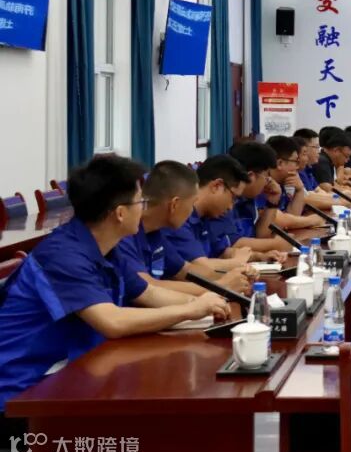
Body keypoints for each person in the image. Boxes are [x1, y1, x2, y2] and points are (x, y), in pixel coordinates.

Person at [0, 156, 229, 418]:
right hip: (22, 395)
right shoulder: (62, 256)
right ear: (120, 213)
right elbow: (112, 321)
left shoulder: (108, 247)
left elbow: (148, 293)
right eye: (140, 202)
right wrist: (190, 310)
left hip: (71, 378)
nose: (144, 209)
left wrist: (207, 304)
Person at [114, 161, 211, 296]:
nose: (192, 210)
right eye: (192, 203)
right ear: (174, 204)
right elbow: (147, 286)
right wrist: (221, 288)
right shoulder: (125, 234)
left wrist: (228, 279)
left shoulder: (155, 232)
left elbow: (184, 270)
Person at [163, 156, 258, 289]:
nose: (231, 207)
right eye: (233, 198)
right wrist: (237, 263)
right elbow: (200, 268)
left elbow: (220, 252)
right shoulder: (178, 219)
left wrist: (258, 256)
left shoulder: (207, 216)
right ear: (217, 186)